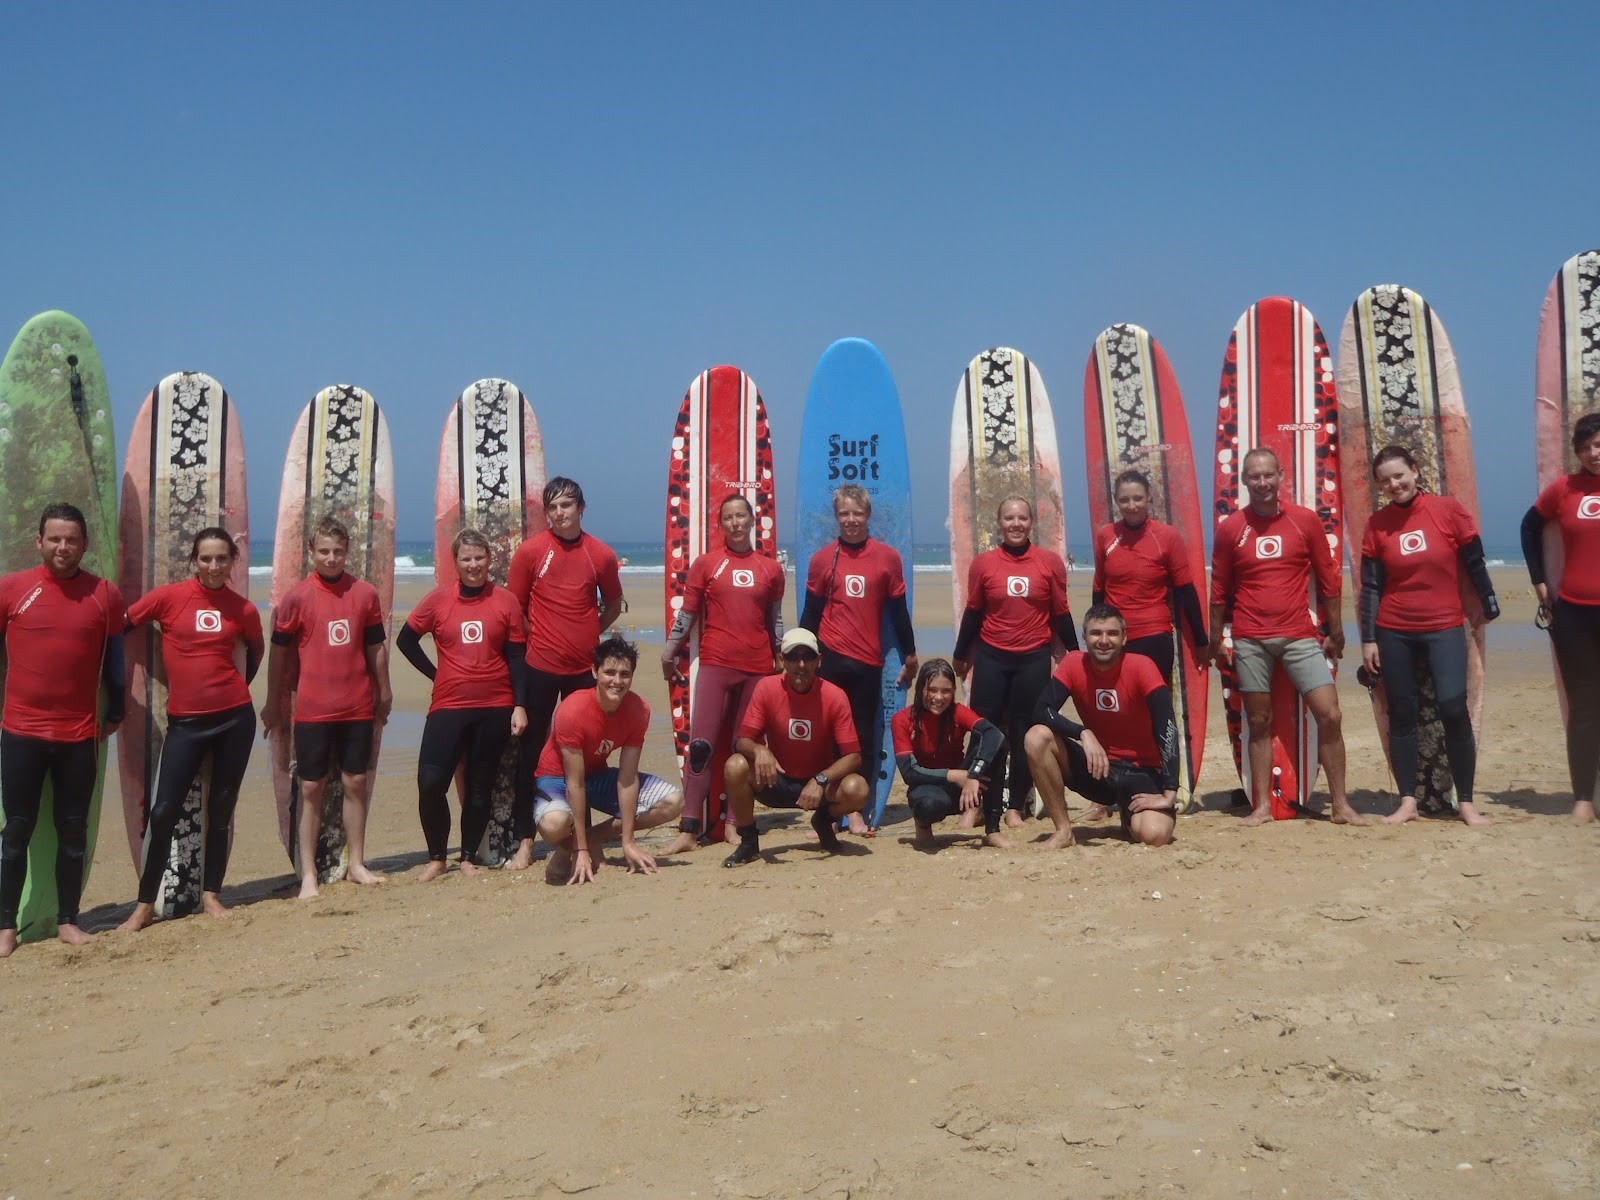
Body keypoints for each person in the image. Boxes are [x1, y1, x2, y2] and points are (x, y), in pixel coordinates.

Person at [1207, 448, 1365, 826]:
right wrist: (1215, 641)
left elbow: (1328, 582)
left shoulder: (1304, 521)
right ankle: (1262, 805)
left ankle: (1341, 804)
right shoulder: (1231, 529)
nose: (1262, 483)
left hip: (1299, 635)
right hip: (1249, 638)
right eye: (1253, 477)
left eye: (1268, 475)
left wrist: (1337, 632)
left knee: (1330, 714)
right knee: (1258, 722)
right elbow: (1218, 590)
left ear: (1281, 476)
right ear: (1243, 481)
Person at [119, 528, 263, 930]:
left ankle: (211, 894)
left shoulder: (243, 609)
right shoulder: (168, 598)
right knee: (164, 811)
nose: (214, 566)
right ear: (194, 561)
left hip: (235, 719)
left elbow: (256, 651)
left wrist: (233, 691)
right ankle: (144, 905)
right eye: (206, 559)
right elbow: (125, 622)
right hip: (185, 723)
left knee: (220, 808)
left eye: (222, 559)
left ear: (233, 561)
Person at [0, 504, 125, 956]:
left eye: (71, 539)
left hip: (78, 736)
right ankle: (6, 926)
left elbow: (115, 655)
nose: (63, 547)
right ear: (39, 542)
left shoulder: (103, 594)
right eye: (54, 538)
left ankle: (69, 920)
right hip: (21, 733)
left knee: (73, 831)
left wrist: (117, 708)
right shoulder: (13, 589)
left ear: (84, 544)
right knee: (16, 830)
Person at [1359, 445, 1499, 826]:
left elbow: (1474, 559)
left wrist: (1487, 601)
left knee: (1454, 708)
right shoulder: (1377, 524)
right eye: (1385, 480)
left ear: (1416, 471)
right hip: (1394, 629)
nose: (1394, 484)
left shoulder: (1447, 510)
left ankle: (1466, 802)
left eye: (1399, 475)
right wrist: (1368, 639)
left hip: (1445, 625)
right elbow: (1371, 586)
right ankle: (1408, 801)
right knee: (1403, 713)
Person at [262, 516, 393, 898]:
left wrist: (383, 691)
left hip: (356, 707)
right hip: (314, 710)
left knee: (355, 782)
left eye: (338, 551)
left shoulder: (365, 594)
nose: (331, 558)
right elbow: (279, 657)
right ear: (311, 553)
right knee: (311, 787)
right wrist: (273, 703)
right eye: (323, 551)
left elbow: (375, 649)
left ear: (347, 551)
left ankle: (356, 864)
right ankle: (308, 876)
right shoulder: (297, 598)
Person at [396, 529, 529, 879]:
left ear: (490, 559)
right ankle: (437, 858)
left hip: (496, 704)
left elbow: (516, 656)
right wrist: (436, 674)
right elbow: (406, 640)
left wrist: (520, 705)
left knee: (480, 783)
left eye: (479, 557)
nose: (474, 565)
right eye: (466, 559)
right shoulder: (437, 601)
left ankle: (467, 856)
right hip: (448, 705)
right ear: (455, 562)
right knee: (431, 781)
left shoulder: (506, 602)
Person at [506, 477, 623, 869]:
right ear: (547, 513)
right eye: (552, 507)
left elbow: (612, 605)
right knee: (531, 752)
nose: (559, 513)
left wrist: (590, 632)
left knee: (582, 757)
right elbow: (515, 609)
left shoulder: (600, 554)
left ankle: (581, 839)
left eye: (567, 506)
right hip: (540, 667)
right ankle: (525, 839)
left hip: (582, 672)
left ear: (581, 508)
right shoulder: (531, 552)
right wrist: (543, 637)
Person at [659, 493, 784, 855]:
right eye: (728, 517)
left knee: (741, 752)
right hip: (715, 664)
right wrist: (670, 653)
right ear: (721, 525)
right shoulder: (707, 564)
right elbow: (688, 613)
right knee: (701, 748)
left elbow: (774, 620)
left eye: (741, 516)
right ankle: (688, 830)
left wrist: (779, 656)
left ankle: (734, 824)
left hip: (758, 669)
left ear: (751, 520)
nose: (735, 523)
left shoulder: (770, 569)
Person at [1087, 469, 1208, 820]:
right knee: (1109, 712)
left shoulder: (1166, 537)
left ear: (1149, 498)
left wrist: (1199, 641)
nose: (1131, 505)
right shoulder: (1106, 536)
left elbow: (1185, 590)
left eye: (1137, 498)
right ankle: (1103, 796)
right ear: (1116, 501)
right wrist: (1094, 634)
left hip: (1153, 636)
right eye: (1124, 499)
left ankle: (1164, 785)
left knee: (1157, 716)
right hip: (1112, 641)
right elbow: (1099, 589)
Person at [952, 495, 1076, 828]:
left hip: (1033, 658)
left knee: (1024, 733)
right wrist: (961, 654)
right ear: (999, 523)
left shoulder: (1049, 563)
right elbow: (974, 612)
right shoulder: (984, 563)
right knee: (984, 733)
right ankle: (977, 805)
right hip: (992, 657)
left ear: (1031, 522)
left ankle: (1014, 806)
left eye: (1022, 518)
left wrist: (1075, 654)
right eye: (1009, 518)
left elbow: (1061, 613)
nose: (1016, 524)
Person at [799, 483, 915, 835]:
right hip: (829, 660)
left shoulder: (887, 557)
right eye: (844, 513)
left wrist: (909, 654)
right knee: (830, 738)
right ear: (836, 517)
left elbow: (898, 613)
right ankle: (831, 811)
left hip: (867, 663)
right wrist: (798, 656)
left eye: (857, 513)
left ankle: (855, 811)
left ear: (868, 515)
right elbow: (811, 614)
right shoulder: (822, 558)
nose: (851, 520)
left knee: (863, 737)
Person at [1023, 604, 1180, 848]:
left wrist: (1169, 793)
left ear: (1125, 638)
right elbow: (1041, 710)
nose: (1104, 640)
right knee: (1036, 737)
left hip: (1144, 771)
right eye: (1096, 633)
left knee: (1155, 835)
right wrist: (1082, 732)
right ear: (1084, 638)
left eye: (1112, 633)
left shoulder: (1142, 666)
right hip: (1100, 769)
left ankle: (1130, 816)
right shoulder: (1074, 663)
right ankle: (1064, 830)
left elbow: (1167, 727)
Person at [533, 636, 682, 885]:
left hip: (596, 776)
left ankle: (593, 838)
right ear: (594, 672)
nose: (617, 681)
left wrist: (628, 842)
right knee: (554, 824)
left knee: (673, 802)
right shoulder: (572, 711)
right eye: (609, 672)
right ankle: (570, 847)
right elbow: (574, 784)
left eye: (625, 674)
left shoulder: (638, 710)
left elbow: (627, 778)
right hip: (556, 779)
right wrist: (580, 852)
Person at [721, 628, 870, 866]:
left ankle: (823, 821)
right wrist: (760, 750)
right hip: (776, 781)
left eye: (808, 657)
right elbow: (742, 741)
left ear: (818, 661)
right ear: (782, 660)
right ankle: (749, 841)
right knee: (735, 765)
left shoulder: (835, 696)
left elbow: (853, 757)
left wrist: (821, 778)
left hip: (818, 787)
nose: (801, 664)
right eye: (793, 657)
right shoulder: (766, 688)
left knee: (858, 788)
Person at [1522, 409, 1600, 823]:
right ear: (1576, 452)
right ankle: (1583, 800)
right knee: (1585, 707)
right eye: (1585, 446)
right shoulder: (1564, 490)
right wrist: (1539, 581)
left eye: (1599, 444)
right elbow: (1529, 527)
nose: (1594, 452)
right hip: (1573, 614)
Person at [891, 658, 1006, 849]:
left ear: (953, 692)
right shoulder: (902, 720)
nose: (938, 697)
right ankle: (922, 824)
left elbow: (993, 734)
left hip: (962, 789)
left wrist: (974, 773)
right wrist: (956, 775)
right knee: (929, 806)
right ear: (921, 690)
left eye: (946, 691)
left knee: (998, 745)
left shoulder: (957, 712)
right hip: (927, 785)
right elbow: (908, 773)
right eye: (932, 690)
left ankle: (993, 829)